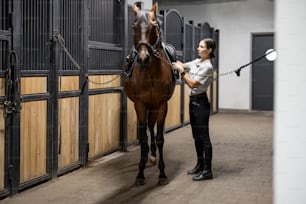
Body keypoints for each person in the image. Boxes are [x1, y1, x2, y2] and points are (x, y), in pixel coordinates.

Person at [172, 38, 216, 181]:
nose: (198, 48)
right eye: (198, 46)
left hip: (201, 103)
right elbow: (183, 65)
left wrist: (181, 72)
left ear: (209, 50)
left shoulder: (207, 67)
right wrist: (176, 62)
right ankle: (200, 164)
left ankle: (208, 171)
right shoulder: (197, 62)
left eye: (201, 46)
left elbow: (192, 84)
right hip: (193, 102)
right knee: (196, 136)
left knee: (204, 137)